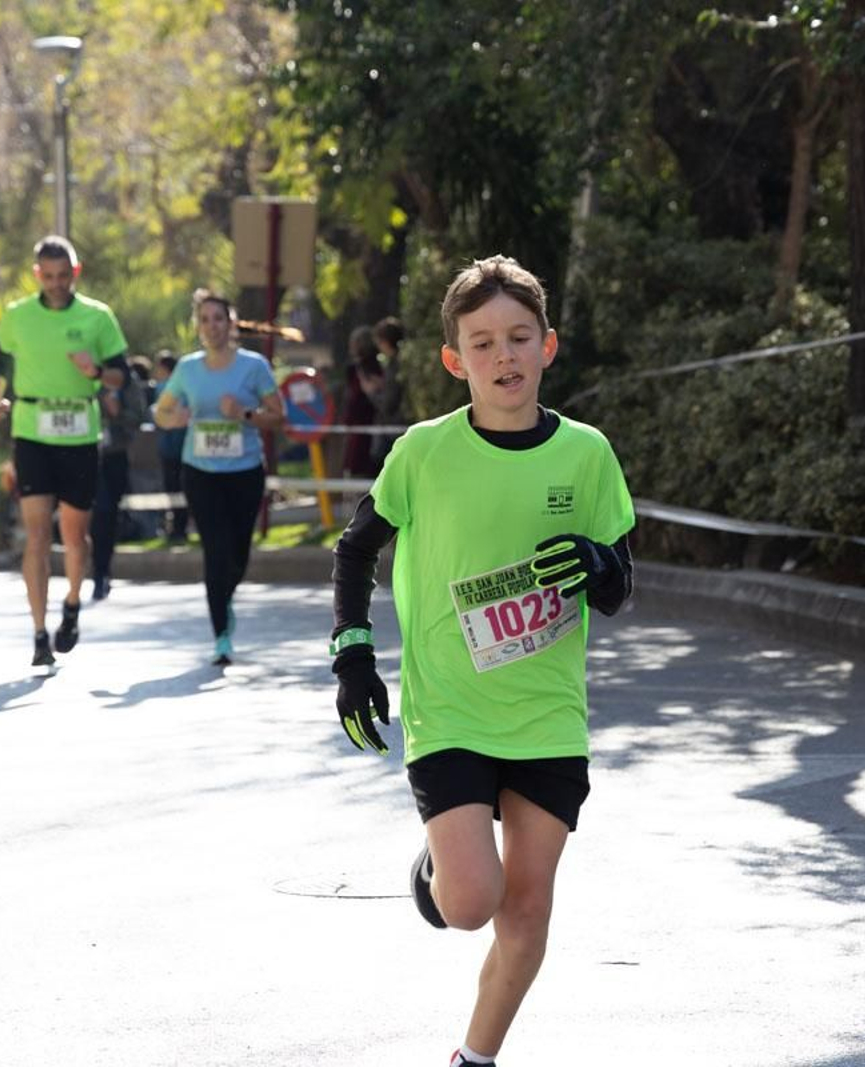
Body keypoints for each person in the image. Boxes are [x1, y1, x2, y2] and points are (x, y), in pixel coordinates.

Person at [330, 256, 635, 1067]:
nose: (505, 357)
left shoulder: (587, 454)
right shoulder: (424, 453)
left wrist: (599, 568)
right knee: (471, 903)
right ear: (454, 359)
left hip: (546, 713)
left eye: (519, 338)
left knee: (526, 915)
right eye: (484, 342)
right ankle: (441, 862)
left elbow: (620, 581)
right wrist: (353, 655)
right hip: (453, 708)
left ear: (548, 346)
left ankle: (475, 1058)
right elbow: (355, 550)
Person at [0, 235, 129, 666]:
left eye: (63, 276)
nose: (56, 284)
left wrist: (97, 371)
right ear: (36, 275)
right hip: (32, 433)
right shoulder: (17, 316)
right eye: (48, 277)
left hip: (80, 434)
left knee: (74, 536)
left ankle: (70, 602)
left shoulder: (98, 317)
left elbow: (121, 375)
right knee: (36, 536)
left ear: (75, 273)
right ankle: (38, 631)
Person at [153, 289, 284, 665]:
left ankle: (224, 597)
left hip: (244, 471)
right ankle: (221, 635)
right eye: (205, 319)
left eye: (218, 319)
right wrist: (172, 418)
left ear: (231, 324)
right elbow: (160, 412)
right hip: (200, 471)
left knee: (238, 552)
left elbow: (278, 415)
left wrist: (244, 413)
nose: (212, 326)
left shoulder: (253, 366)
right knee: (215, 548)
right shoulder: (187, 368)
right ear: (198, 326)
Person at [89, 355, 146, 601]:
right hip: (83, 453)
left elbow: (138, 415)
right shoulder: (77, 369)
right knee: (90, 514)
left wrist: (117, 412)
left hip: (114, 456)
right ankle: (93, 569)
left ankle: (102, 572)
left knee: (106, 513)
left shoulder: (125, 379)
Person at [153, 350, 189, 543]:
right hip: (179, 447)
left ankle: (178, 529)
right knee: (181, 490)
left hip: (174, 447)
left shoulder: (164, 389)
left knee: (175, 489)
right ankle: (179, 529)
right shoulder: (186, 388)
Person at [341, 325, 385, 479]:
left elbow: (353, 396)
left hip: (364, 418)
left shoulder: (360, 368)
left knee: (361, 461)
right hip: (368, 418)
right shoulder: (376, 366)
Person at [370, 316, 406, 467]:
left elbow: (388, 404)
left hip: (393, 430)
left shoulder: (395, 365)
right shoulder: (402, 362)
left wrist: (372, 392)